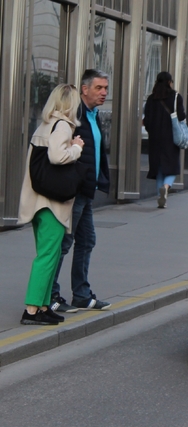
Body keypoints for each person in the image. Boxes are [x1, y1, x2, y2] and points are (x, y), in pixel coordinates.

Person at [17, 84, 85, 325]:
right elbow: (57, 157)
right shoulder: (63, 125)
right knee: (47, 257)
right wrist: (76, 148)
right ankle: (32, 309)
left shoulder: (44, 125)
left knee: (50, 255)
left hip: (37, 202)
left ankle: (44, 306)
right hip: (51, 204)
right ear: (70, 104)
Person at [49, 69, 111, 313]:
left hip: (87, 190)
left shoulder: (94, 115)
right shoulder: (73, 115)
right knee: (64, 242)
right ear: (84, 89)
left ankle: (82, 295)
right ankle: (51, 295)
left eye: (106, 88)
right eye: (99, 88)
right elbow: (62, 152)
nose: (104, 92)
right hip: (74, 191)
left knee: (87, 240)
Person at [143, 71, 186, 208]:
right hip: (170, 137)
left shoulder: (151, 99)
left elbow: (147, 120)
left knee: (159, 169)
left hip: (155, 138)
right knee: (172, 168)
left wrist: (152, 130)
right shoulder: (175, 97)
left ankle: (161, 198)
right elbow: (181, 116)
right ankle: (166, 188)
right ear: (169, 82)